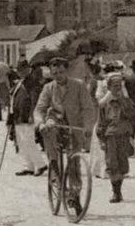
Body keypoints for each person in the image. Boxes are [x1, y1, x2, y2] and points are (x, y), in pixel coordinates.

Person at [34, 56, 97, 216]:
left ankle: (74, 196)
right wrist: (40, 123)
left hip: (74, 127)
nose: (58, 76)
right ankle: (54, 168)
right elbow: (39, 109)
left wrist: (88, 127)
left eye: (61, 72)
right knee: (49, 132)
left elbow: (88, 108)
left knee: (74, 162)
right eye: (54, 73)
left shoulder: (79, 85)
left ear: (66, 71)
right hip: (54, 124)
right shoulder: (48, 88)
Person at [96, 71, 135, 203]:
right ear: (108, 88)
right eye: (114, 86)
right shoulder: (104, 104)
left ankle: (119, 190)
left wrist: (132, 136)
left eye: (119, 85)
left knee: (123, 164)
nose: (117, 88)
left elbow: (132, 116)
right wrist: (101, 139)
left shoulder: (126, 101)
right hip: (111, 136)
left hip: (123, 135)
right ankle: (116, 192)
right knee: (112, 163)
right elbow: (101, 122)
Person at [10, 60, 47, 176]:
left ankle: (41, 165)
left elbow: (35, 100)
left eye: (22, 70)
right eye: (18, 70)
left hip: (27, 116)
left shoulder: (33, 82)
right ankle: (28, 166)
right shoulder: (20, 82)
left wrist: (32, 114)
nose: (19, 72)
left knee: (28, 141)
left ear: (28, 69)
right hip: (18, 116)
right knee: (21, 143)